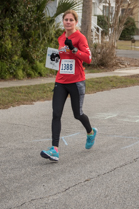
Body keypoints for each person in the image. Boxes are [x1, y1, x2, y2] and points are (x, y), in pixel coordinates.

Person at [40, 9, 96, 162]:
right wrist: (54, 57)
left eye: (71, 20)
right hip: (61, 81)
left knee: (77, 114)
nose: (68, 22)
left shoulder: (80, 37)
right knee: (56, 114)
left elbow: (88, 58)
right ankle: (54, 150)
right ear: (63, 21)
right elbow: (62, 59)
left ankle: (90, 132)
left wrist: (74, 49)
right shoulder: (60, 38)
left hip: (76, 81)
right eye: (66, 19)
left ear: (75, 22)